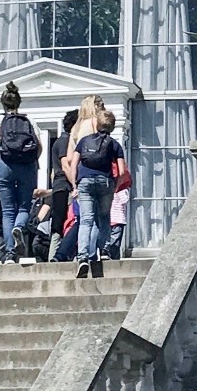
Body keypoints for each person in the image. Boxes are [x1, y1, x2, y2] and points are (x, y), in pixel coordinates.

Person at [0, 81, 41, 263]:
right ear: (18, 103)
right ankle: (19, 227)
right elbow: (39, 146)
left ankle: (10, 253)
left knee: (7, 210)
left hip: (4, 165)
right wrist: (32, 161)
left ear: (3, 103)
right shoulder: (29, 120)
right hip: (27, 165)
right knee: (24, 206)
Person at [67, 106, 125, 278]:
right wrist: (115, 186)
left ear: (96, 124)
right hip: (105, 182)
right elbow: (121, 171)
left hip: (84, 182)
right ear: (112, 127)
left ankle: (83, 257)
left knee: (86, 220)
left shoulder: (84, 141)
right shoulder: (114, 144)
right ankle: (104, 251)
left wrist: (74, 186)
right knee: (104, 217)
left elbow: (73, 165)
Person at [47, 107, 78, 247]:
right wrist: (74, 185)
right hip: (64, 186)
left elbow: (53, 172)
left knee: (59, 221)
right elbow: (66, 165)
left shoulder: (59, 141)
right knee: (63, 222)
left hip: (58, 185)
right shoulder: (66, 142)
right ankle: (56, 253)